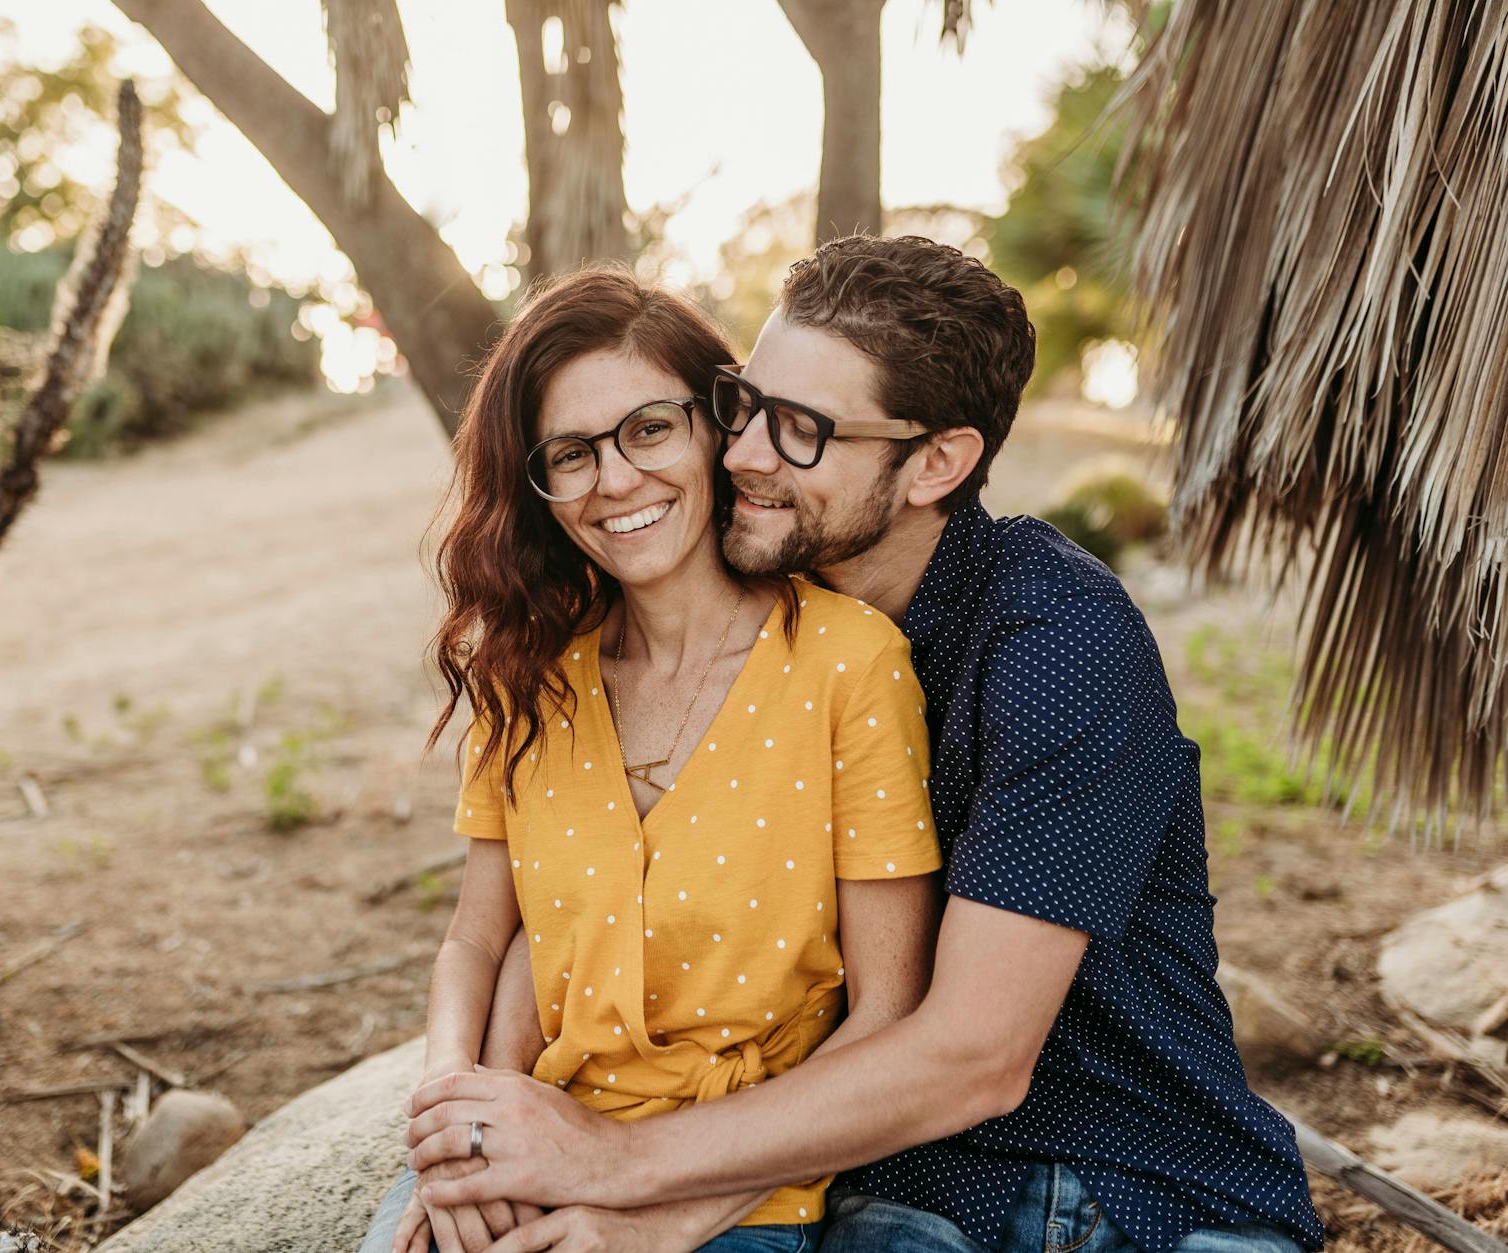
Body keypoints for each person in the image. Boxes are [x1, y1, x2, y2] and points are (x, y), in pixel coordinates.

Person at [402, 236, 1327, 1253]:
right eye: (740, 403)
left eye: (800, 429)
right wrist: (481, 1131)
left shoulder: (1056, 644)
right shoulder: (703, 635)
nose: (744, 451)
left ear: (935, 461)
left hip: (1121, 1184)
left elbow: (973, 1055)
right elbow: (549, 907)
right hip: (889, 1186)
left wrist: (616, 1169)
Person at [362, 266, 946, 1253]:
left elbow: (885, 1014)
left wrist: (658, 1218)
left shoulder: (847, 664)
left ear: (719, 426)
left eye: (647, 429)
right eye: (572, 452)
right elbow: (476, 937)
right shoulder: (529, 673)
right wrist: (452, 1127)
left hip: (729, 1194)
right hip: (520, 1145)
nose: (616, 480)